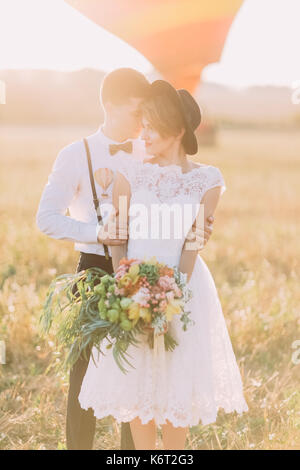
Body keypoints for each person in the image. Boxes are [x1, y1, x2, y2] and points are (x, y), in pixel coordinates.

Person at [36, 69, 215, 450]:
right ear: (110, 106)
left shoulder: (150, 149)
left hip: (150, 270)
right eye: (137, 112)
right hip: (96, 270)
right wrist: (99, 233)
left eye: (148, 117)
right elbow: (46, 219)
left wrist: (195, 227)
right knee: (85, 372)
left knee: (136, 373)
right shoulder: (74, 153)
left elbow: (182, 208)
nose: (142, 123)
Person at [78, 80, 248, 450]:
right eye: (144, 124)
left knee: (177, 388)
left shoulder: (208, 181)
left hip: (184, 288)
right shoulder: (128, 172)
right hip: (133, 286)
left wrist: (174, 294)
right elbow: (119, 239)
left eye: (153, 125)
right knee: (139, 387)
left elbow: (194, 243)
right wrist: (128, 287)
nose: (145, 133)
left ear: (179, 129)